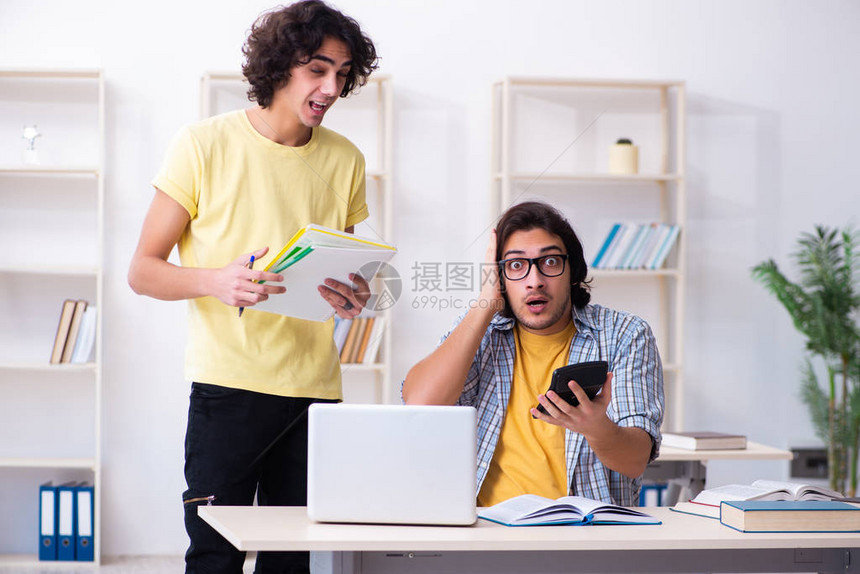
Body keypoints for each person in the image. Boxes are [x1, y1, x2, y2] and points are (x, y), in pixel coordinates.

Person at [127, 2, 378, 572]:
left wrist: (353, 298)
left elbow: (339, 272)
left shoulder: (346, 160)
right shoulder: (201, 144)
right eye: (318, 69)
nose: (331, 87)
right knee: (215, 556)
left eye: (342, 73)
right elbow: (142, 269)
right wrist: (217, 280)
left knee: (291, 561)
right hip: (229, 390)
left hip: (315, 392)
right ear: (281, 64)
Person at [403, 201, 664, 507]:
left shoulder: (625, 334)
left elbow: (635, 461)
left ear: (572, 270)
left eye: (550, 262)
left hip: (586, 535)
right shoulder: (482, 333)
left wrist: (596, 428)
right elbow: (420, 404)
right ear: (500, 277)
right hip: (488, 533)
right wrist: (486, 302)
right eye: (516, 265)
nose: (534, 280)